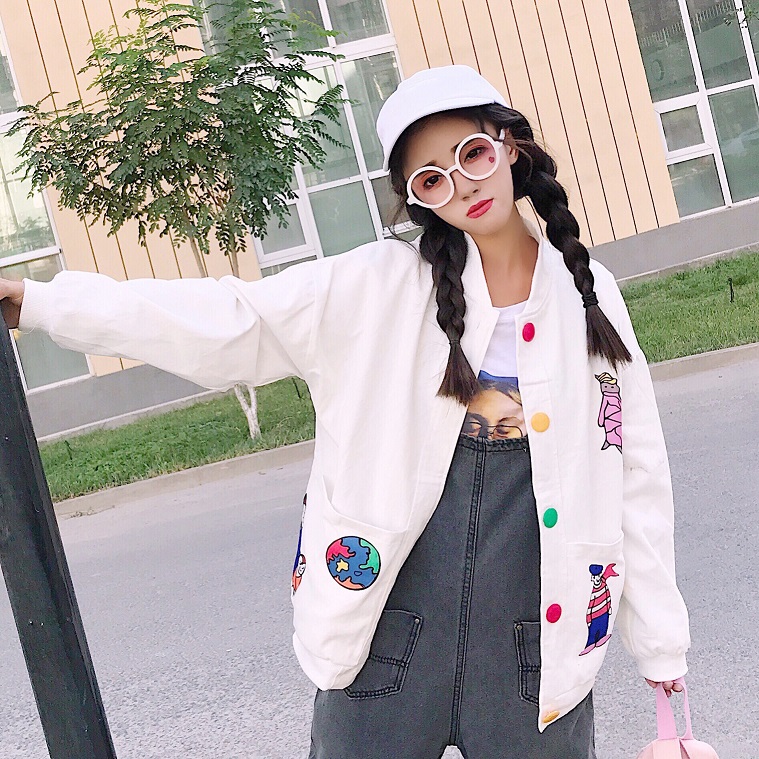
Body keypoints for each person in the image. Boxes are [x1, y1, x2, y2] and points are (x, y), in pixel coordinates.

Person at [0, 65, 690, 758]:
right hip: (386, 644)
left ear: (509, 145)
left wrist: (661, 648)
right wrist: (45, 303)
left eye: (473, 154)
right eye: (432, 179)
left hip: (533, 657)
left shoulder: (587, 294)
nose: (462, 186)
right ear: (416, 198)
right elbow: (233, 319)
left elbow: (635, 475)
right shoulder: (376, 286)